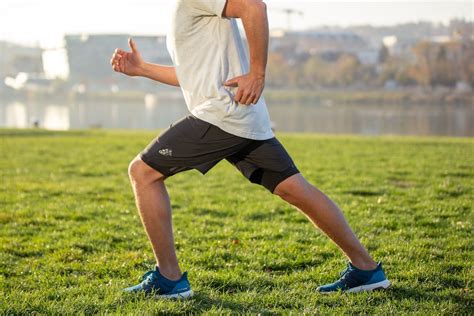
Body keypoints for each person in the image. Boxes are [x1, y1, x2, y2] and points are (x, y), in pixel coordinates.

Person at [110, 0, 390, 298]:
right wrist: (142, 70)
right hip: (242, 115)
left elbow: (254, 7)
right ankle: (366, 270)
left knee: (143, 173)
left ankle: (169, 278)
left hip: (222, 114)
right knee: (294, 189)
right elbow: (193, 76)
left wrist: (257, 74)